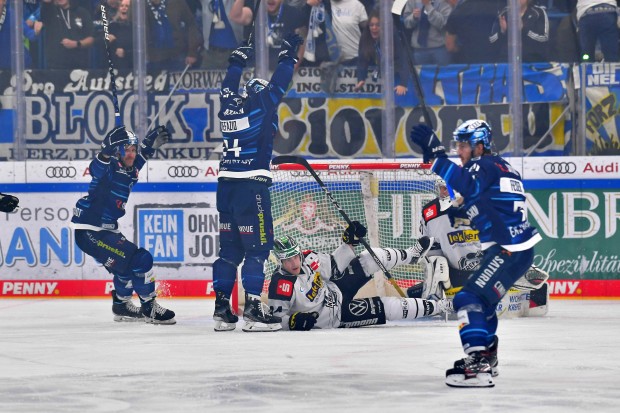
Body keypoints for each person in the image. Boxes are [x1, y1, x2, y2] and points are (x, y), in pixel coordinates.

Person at [410, 119, 542, 388]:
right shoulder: (503, 166)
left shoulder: (482, 165)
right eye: (456, 145)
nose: (459, 150)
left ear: (479, 146)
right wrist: (463, 209)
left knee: (467, 299)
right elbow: (482, 199)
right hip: (519, 249)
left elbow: (468, 185)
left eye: (463, 145)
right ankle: (488, 355)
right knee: (485, 304)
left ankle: (477, 363)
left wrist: (437, 155)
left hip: (507, 249)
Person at [212, 32, 304, 332]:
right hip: (252, 186)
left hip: (225, 186)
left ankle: (222, 310)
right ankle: (253, 311)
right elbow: (280, 83)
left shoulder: (227, 105)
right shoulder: (262, 104)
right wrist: (288, 54)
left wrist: (237, 62)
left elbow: (228, 87)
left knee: (228, 253)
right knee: (257, 250)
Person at [71, 124, 176, 324]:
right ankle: (149, 306)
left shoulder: (131, 169)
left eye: (132, 150)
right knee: (141, 259)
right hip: (90, 230)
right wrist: (106, 151)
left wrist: (148, 146)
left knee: (125, 268)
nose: (130, 154)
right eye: (125, 150)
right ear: (116, 152)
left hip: (106, 229)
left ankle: (121, 305)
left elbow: (138, 159)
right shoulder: (109, 168)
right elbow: (96, 168)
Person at [267, 223, 453, 330]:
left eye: (294, 256)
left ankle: (411, 255)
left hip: (336, 288)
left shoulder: (308, 258)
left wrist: (350, 242)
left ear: (299, 253)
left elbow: (333, 265)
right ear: (280, 261)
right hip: (336, 316)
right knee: (386, 306)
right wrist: (292, 323)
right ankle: (440, 306)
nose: (293, 263)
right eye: (286, 260)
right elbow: (276, 319)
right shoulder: (281, 284)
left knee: (368, 258)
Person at [406, 178, 481, 300]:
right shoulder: (430, 212)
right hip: (454, 275)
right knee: (433, 262)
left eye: (445, 188)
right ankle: (437, 299)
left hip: (484, 271)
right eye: (440, 188)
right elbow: (429, 248)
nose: (441, 192)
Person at [354, 9, 410, 95]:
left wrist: (403, 83)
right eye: (371, 25)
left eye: (378, 25)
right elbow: (362, 60)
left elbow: (402, 59)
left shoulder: (392, 35)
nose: (374, 28)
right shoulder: (365, 36)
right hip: (377, 72)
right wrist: (361, 79)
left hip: (395, 72)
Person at [144, 0, 202, 72]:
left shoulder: (176, 2)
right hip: (152, 57)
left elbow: (191, 24)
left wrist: (192, 52)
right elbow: (130, 26)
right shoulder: (140, 6)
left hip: (177, 55)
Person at [40, 0, 95, 70]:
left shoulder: (82, 12)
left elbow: (91, 38)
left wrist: (76, 44)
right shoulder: (49, 12)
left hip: (80, 65)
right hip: (56, 66)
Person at [403, 0, 452, 66]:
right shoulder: (412, 1)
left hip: (439, 48)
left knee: (442, 74)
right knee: (419, 74)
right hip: (418, 49)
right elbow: (406, 23)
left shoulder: (443, 2)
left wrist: (428, 6)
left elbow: (443, 23)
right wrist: (413, 17)